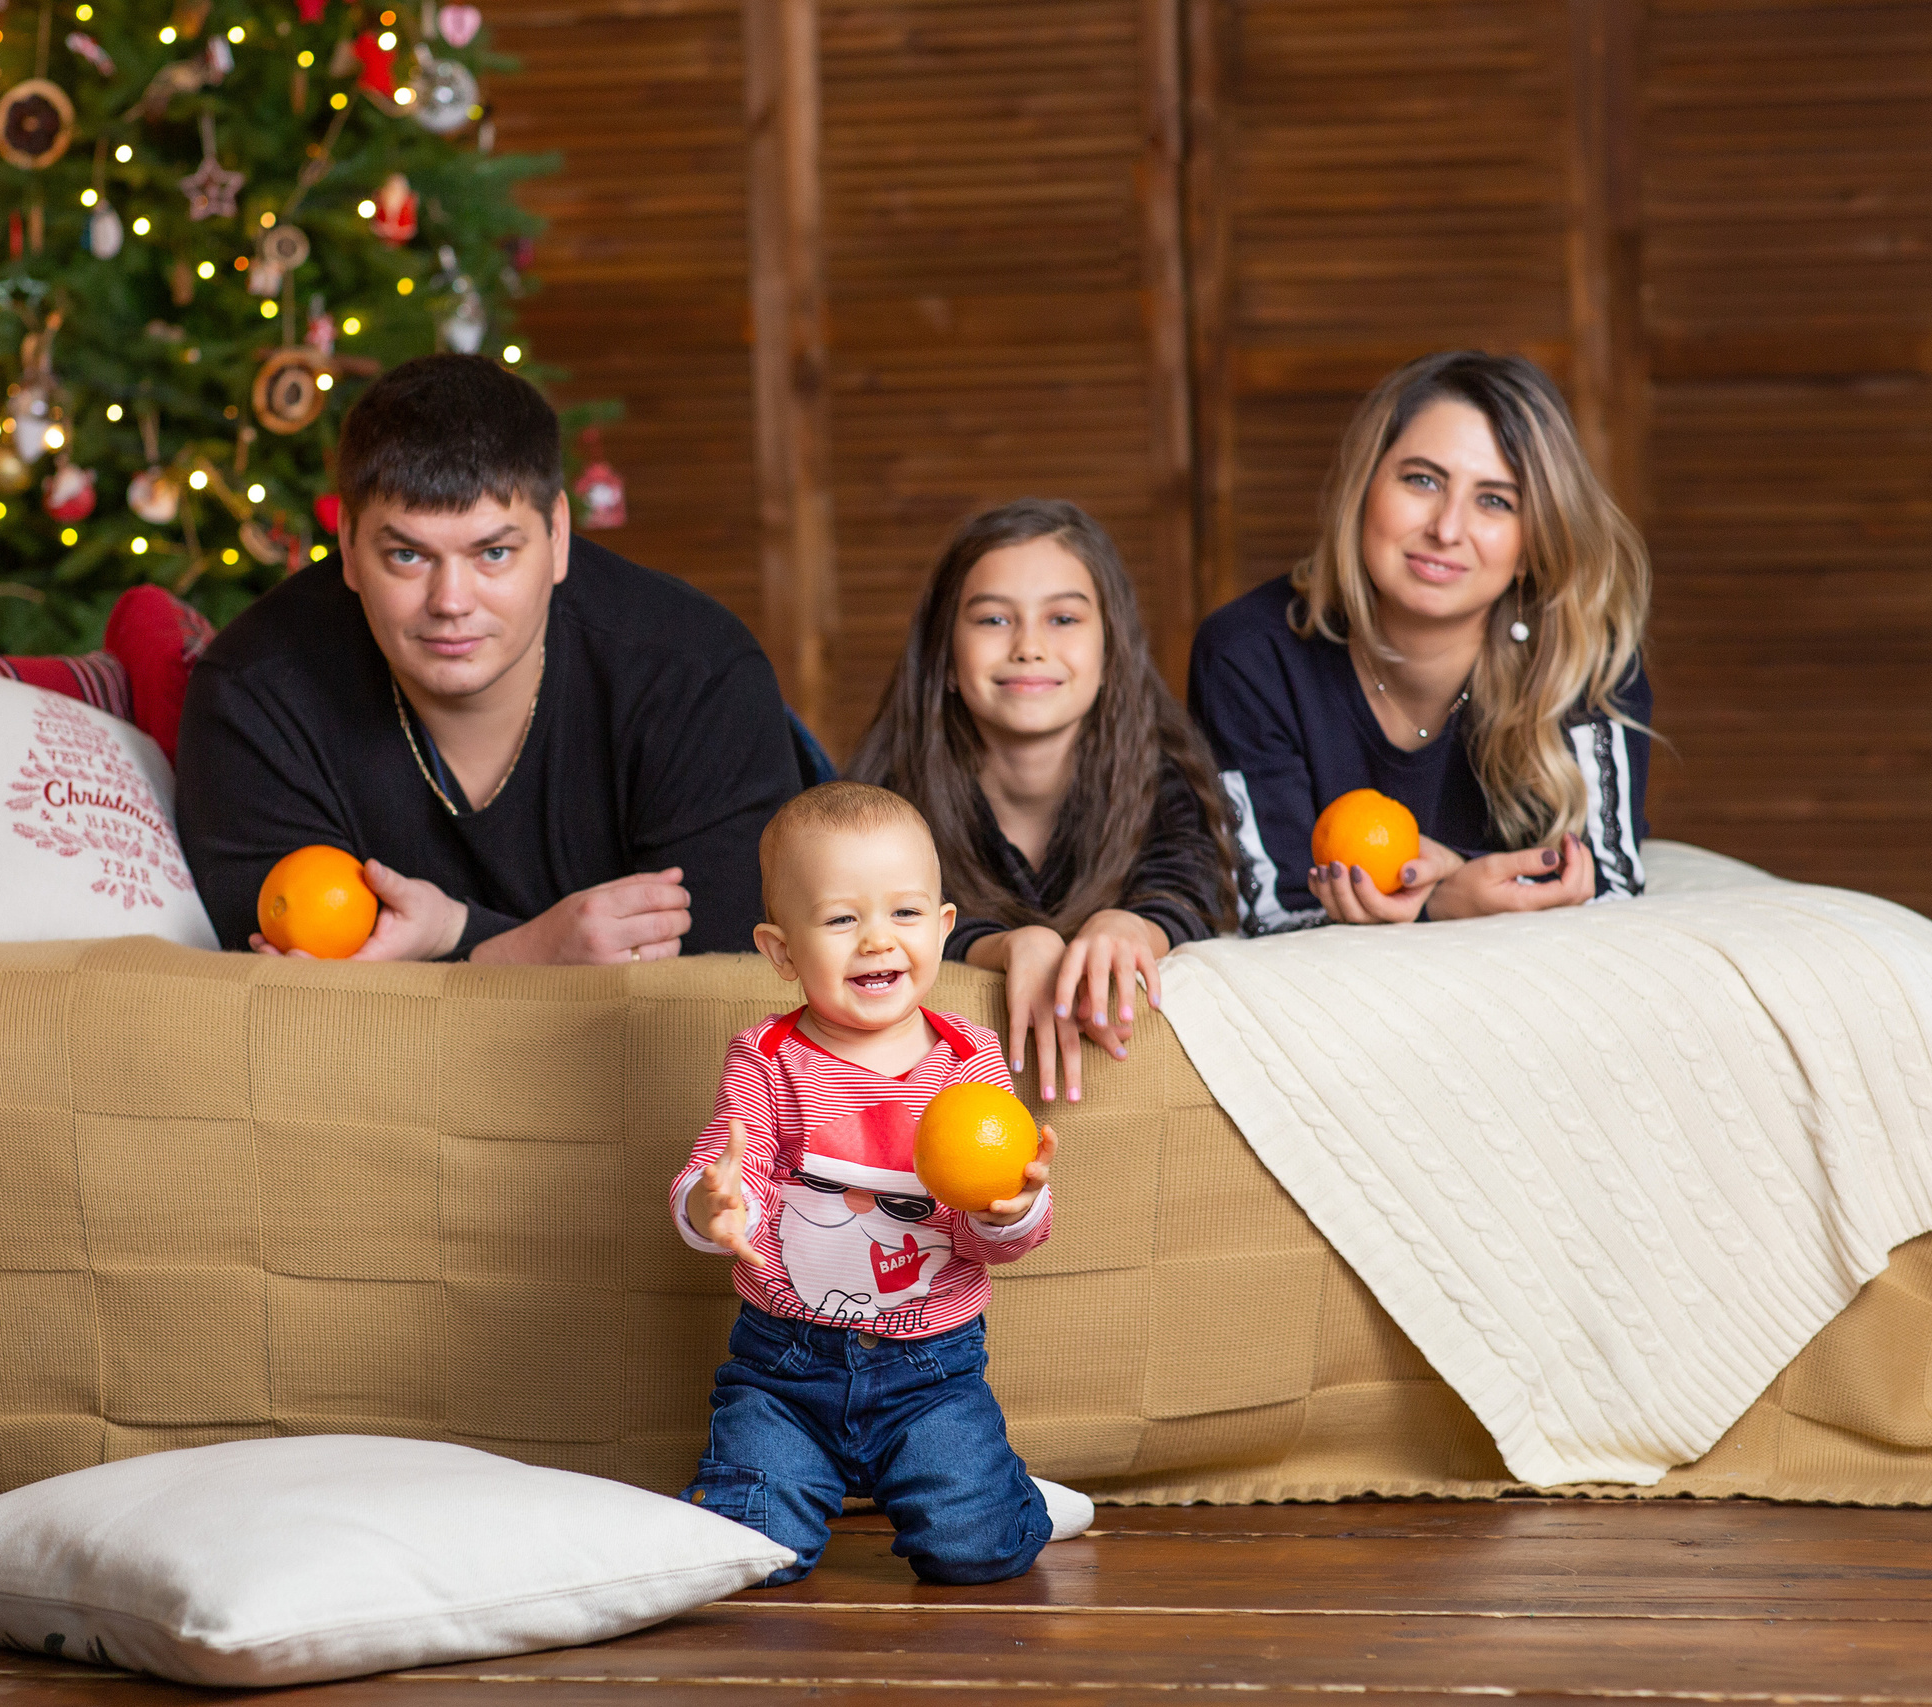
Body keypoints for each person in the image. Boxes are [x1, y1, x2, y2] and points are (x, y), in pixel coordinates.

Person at [177, 354, 801, 960]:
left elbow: (728, 992)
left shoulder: (693, 673)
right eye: (407, 556)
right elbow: (283, 1014)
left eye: (494, 554)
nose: (451, 602)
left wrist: (457, 938)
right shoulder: (255, 695)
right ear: (347, 544)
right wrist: (516, 952)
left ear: (558, 536)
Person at [672, 781, 1084, 1586]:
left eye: (903, 913)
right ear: (782, 949)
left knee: (978, 1550)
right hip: (783, 1371)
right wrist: (711, 1203)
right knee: (746, 1556)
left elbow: (984, 1236)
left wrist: (1013, 1207)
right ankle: (778, 1490)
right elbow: (728, 1166)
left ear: (942, 926)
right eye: (839, 918)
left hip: (930, 1372)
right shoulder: (766, 1058)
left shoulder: (970, 1064)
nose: (876, 940)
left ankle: (1010, 1498)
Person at [1188, 350, 1652, 933]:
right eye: (1423, 480)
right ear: (1364, 490)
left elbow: (1610, 887)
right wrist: (1441, 904)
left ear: (1533, 545)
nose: (1446, 529)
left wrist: (1459, 878)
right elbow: (1271, 910)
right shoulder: (1249, 654)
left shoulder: (1583, 654)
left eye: (1495, 501)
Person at [850, 499, 1238, 1105]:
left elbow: (1196, 893)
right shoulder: (890, 803)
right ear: (945, 660)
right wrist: (1005, 945)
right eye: (993, 620)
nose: (1029, 646)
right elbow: (865, 926)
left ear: (1110, 652)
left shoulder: (1165, 775)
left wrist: (1128, 926)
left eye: (1062, 619)